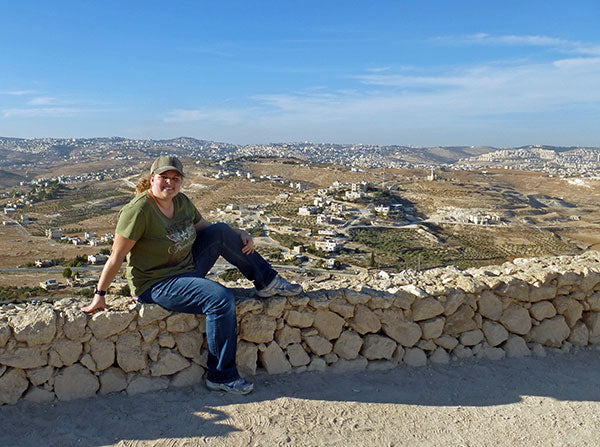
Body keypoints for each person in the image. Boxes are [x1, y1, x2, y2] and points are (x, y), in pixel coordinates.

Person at [82, 155, 302, 394]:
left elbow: (208, 231)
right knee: (219, 298)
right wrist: (100, 294)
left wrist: (238, 233)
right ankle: (221, 375)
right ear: (152, 179)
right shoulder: (138, 211)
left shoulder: (182, 202)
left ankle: (268, 281)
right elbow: (116, 256)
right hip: (156, 283)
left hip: (186, 269)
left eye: (175, 178)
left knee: (221, 231)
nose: (169, 183)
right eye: (164, 178)